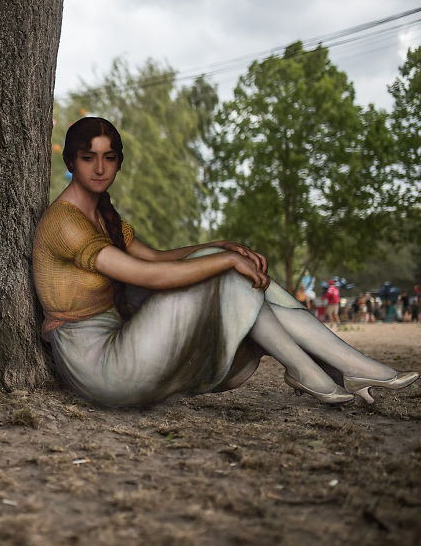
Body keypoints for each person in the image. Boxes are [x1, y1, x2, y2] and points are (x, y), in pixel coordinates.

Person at [32, 117, 417, 408]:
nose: (100, 169)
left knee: (229, 270)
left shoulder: (102, 217)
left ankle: (332, 369)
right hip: (100, 367)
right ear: (70, 160)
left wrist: (219, 246)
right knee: (227, 271)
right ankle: (322, 369)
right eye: (88, 158)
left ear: (118, 163)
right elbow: (150, 275)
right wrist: (225, 259)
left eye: (109, 158)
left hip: (125, 352)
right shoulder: (65, 222)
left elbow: (157, 257)